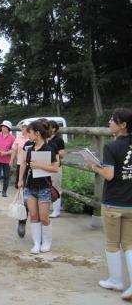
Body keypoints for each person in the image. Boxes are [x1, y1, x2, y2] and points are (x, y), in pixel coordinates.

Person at [84, 108, 132, 301]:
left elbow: (109, 175)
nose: (109, 122)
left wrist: (94, 166)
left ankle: (116, 281)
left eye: (113, 120)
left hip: (113, 202)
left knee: (113, 243)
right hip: (131, 203)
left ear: (123, 125)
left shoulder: (111, 147)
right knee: (129, 244)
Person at [18, 120, 59, 254]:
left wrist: (39, 166)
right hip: (30, 186)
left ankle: (46, 242)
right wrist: (20, 180)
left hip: (44, 187)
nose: (27, 135)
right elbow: (25, 164)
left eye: (29, 132)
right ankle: (36, 243)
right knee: (34, 215)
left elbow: (55, 168)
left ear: (37, 133)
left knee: (44, 217)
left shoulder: (48, 149)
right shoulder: (30, 148)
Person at [10, 123, 30, 237]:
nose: (24, 129)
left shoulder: (45, 143)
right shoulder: (23, 141)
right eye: (23, 127)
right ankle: (22, 222)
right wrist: (20, 179)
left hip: (40, 173)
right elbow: (21, 161)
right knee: (24, 198)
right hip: (24, 168)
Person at [48, 120, 66, 218]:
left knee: (56, 188)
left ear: (54, 129)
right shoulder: (45, 138)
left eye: (48, 127)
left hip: (56, 166)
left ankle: (56, 210)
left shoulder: (58, 140)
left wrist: (51, 152)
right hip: (46, 166)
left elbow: (62, 154)